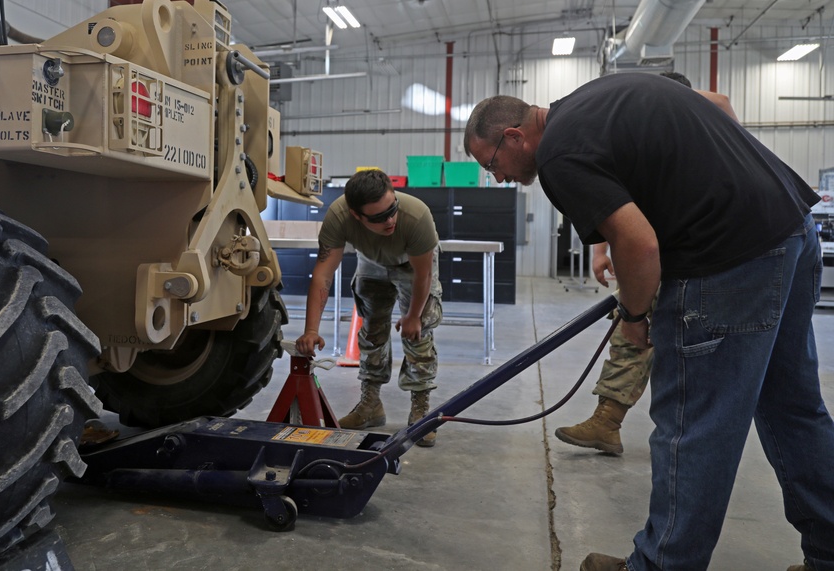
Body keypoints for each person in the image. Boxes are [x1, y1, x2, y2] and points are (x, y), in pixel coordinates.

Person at [464, 72, 834, 571]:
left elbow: (639, 245)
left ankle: (662, 565)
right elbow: (717, 107)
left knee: (693, 423)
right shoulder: (595, 97)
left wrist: (634, 316)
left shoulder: (558, 155)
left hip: (729, 257)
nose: (498, 177)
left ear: (514, 137)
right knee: (793, 406)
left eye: (492, 163)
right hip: (791, 225)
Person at [555, 72, 738, 455]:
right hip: (650, 250)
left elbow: (719, 102)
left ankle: (627, 424)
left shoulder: (696, 130)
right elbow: (615, 200)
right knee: (631, 328)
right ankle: (609, 420)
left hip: (695, 253)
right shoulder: (641, 138)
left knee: (664, 340)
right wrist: (601, 251)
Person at [295, 169, 444, 447]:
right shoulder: (339, 217)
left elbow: (423, 274)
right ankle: (371, 406)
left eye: (392, 210)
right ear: (356, 215)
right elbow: (323, 275)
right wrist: (311, 330)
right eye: (378, 217)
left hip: (412, 266)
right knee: (372, 331)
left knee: (418, 333)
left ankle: (421, 410)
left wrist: (412, 316)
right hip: (372, 261)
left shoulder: (416, 216)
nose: (389, 221)